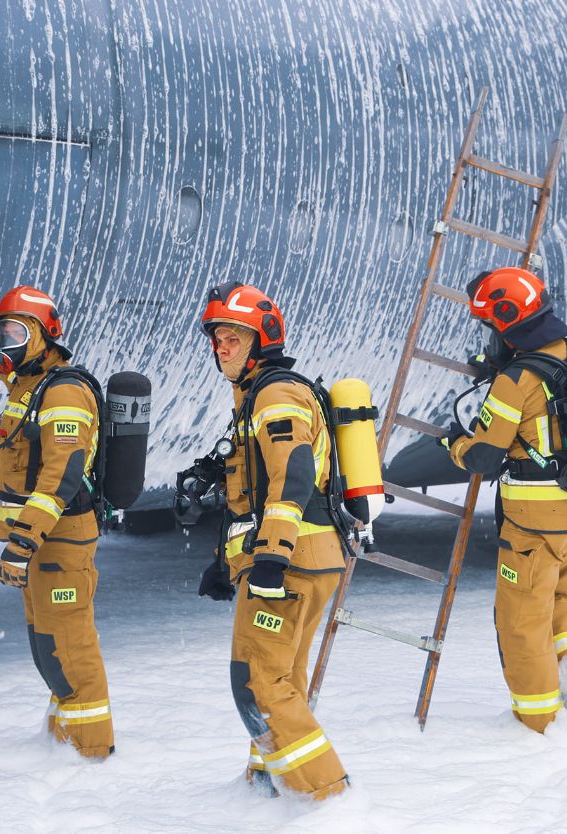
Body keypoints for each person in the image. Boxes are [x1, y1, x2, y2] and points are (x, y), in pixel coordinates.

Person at [0, 265, 114, 758]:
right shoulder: (26, 381)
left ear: (45, 336)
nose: (6, 340)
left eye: (17, 331)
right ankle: (64, 742)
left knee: (70, 647)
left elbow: (60, 479)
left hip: (57, 542)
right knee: (48, 646)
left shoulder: (62, 392)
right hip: (39, 544)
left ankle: (91, 750)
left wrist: (22, 544)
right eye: (4, 330)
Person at [194, 281, 350, 799]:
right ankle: (270, 785)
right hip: (307, 559)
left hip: (292, 562)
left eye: (233, 339)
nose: (222, 349)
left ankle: (328, 798)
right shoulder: (258, 396)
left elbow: (293, 478)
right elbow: (252, 498)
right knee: (281, 678)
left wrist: (271, 558)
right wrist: (230, 563)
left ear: (262, 340)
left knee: (257, 685)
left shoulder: (276, 395)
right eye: (217, 339)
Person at [442, 266, 567, 739]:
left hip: (536, 527)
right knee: (558, 600)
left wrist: (452, 444)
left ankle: (537, 727)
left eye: (491, 326)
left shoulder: (514, 383)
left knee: (521, 622)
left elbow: (482, 456)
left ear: (508, 324)